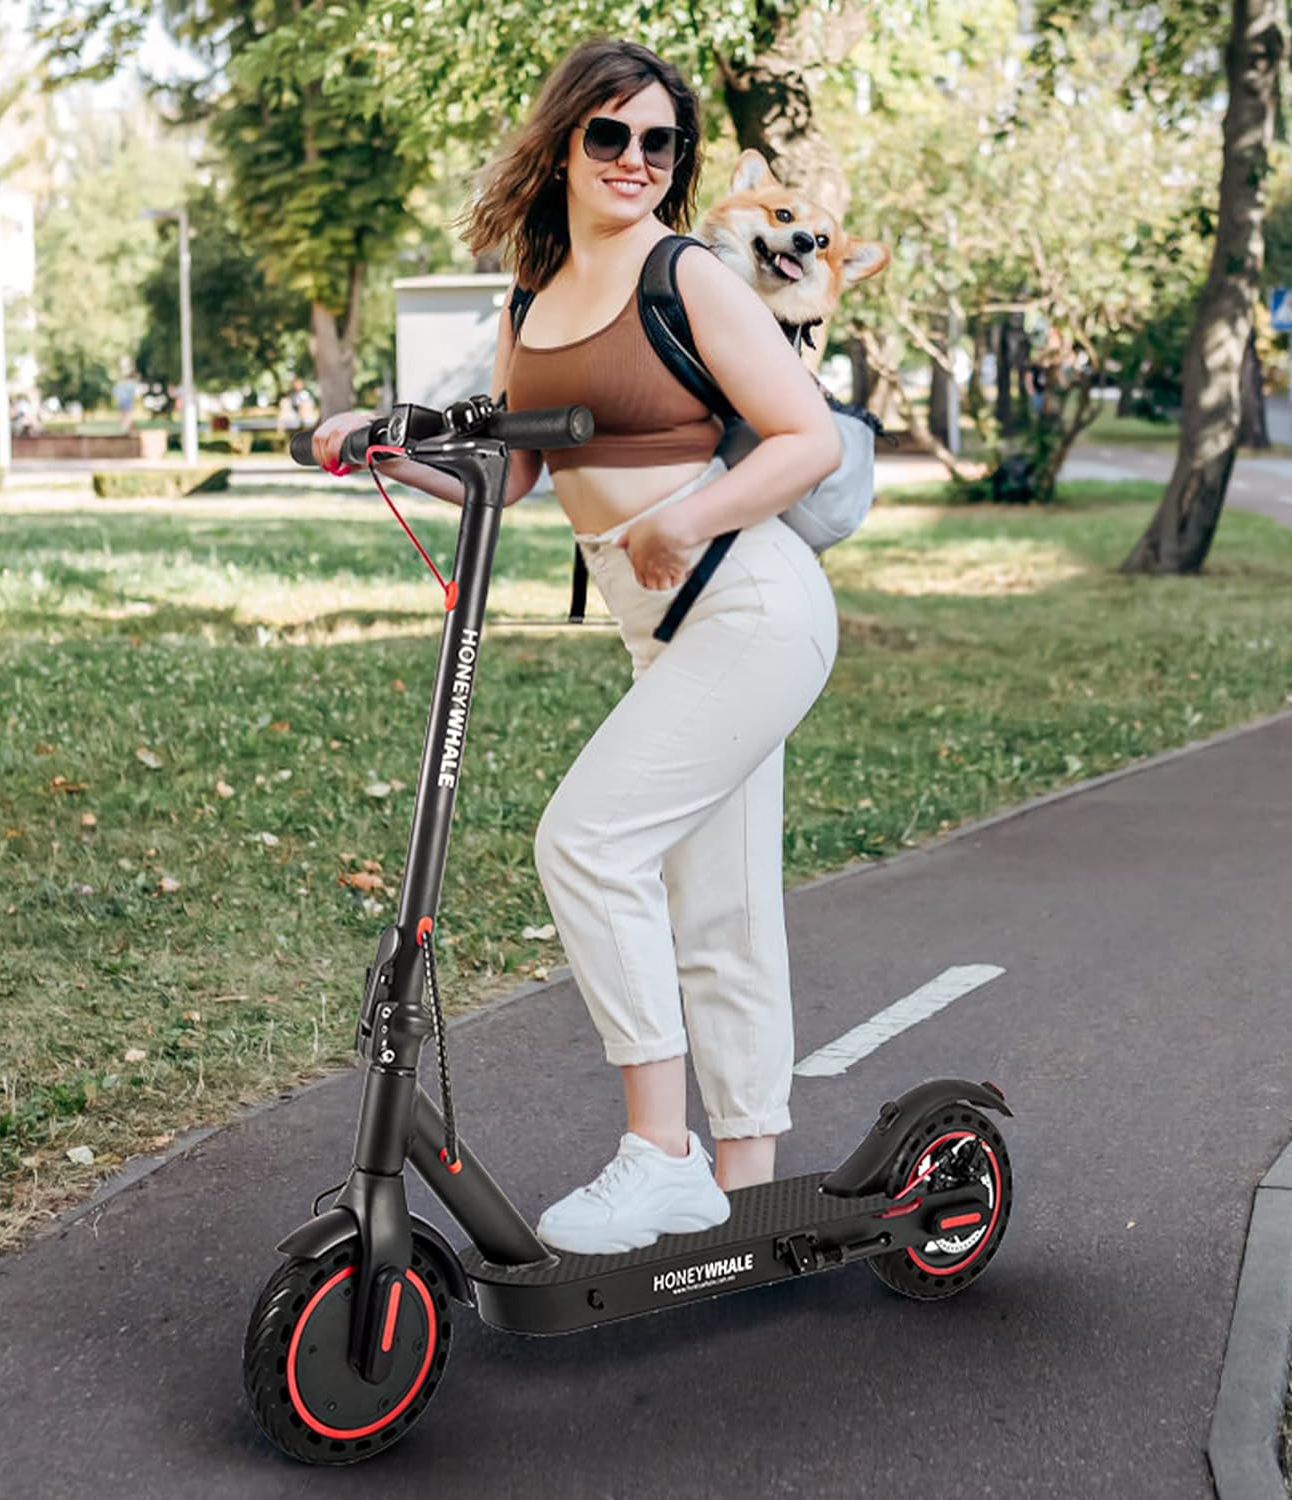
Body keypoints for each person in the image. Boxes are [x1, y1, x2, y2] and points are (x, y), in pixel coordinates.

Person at [310, 38, 840, 1255]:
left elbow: (805, 437)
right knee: (720, 910)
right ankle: (745, 1197)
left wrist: (690, 518)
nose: (635, 158)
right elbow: (518, 473)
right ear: (563, 144)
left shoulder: (686, 274)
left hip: (752, 606)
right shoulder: (532, 300)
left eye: (661, 141)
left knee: (588, 843)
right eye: (611, 134)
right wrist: (377, 446)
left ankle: (661, 1155)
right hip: (667, 630)